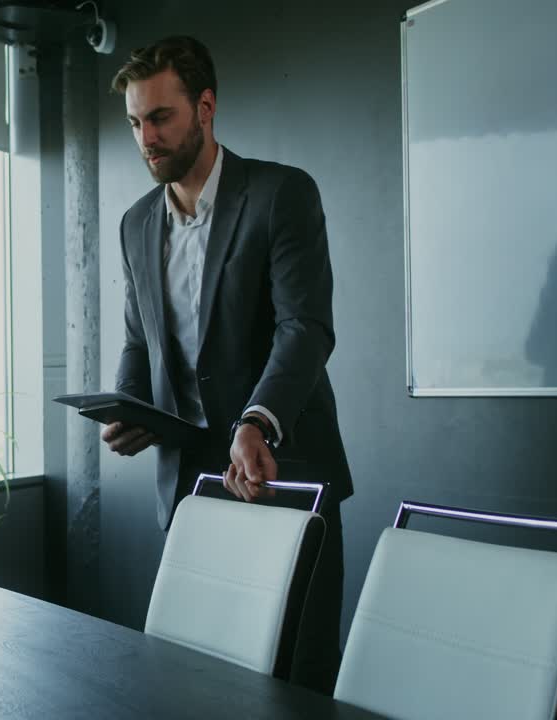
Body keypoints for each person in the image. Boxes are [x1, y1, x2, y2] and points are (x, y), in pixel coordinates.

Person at [102, 36, 352, 694]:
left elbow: (306, 326)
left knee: (298, 681)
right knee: (196, 681)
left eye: (160, 118)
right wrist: (130, 406)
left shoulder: (280, 195)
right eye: (134, 121)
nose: (145, 138)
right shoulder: (134, 225)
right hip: (192, 493)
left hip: (284, 477)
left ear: (205, 108)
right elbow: (140, 340)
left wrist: (256, 422)